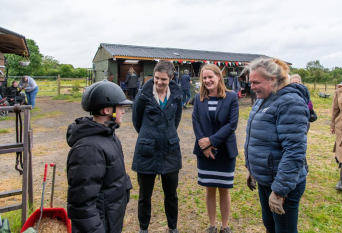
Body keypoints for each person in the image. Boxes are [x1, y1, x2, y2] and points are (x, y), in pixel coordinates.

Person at [243, 58, 309, 233]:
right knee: (270, 225)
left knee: (284, 230)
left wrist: (279, 191)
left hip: (282, 183)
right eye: (251, 82)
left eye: (256, 82)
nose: (252, 87)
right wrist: (251, 167)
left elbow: (295, 151)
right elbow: (257, 139)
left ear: (273, 79)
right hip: (267, 178)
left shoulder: (290, 103)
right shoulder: (263, 99)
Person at [66, 80, 133, 233]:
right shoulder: (88, 149)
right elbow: (82, 205)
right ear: (106, 110)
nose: (123, 111)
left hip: (110, 220)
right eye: (120, 107)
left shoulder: (109, 136)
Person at [132, 60, 183, 233]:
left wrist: (166, 135)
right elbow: (137, 121)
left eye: (163, 79)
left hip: (170, 150)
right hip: (147, 150)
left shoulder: (176, 95)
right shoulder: (143, 95)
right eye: (156, 78)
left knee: (171, 195)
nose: (159, 83)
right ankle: (143, 229)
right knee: (144, 196)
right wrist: (150, 135)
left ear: (171, 78)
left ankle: (173, 228)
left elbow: (176, 120)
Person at [192, 64, 239, 233]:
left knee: (224, 190)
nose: (207, 80)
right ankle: (212, 225)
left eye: (210, 77)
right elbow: (196, 122)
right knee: (209, 189)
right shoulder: (199, 98)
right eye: (204, 78)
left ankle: (225, 226)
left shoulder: (231, 97)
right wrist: (204, 145)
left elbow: (232, 124)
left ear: (219, 76)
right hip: (204, 151)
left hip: (225, 150)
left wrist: (211, 141)